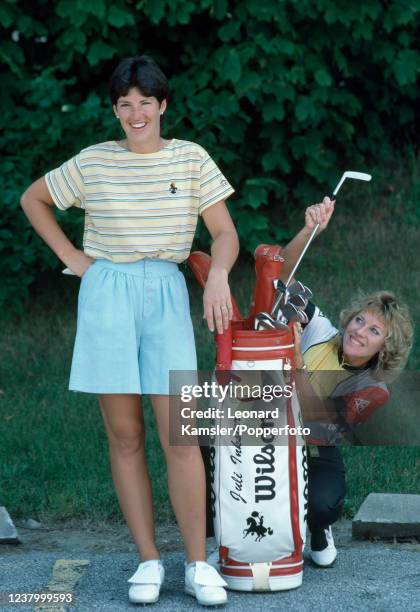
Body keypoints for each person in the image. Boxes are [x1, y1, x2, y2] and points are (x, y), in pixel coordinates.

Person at [20, 55, 239, 606]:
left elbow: (224, 232)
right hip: (106, 296)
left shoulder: (191, 159)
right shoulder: (94, 163)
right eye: (125, 105)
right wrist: (73, 254)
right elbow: (33, 198)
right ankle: (148, 560)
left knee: (181, 436)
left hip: (165, 291)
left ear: (163, 105)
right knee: (125, 436)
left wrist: (217, 276)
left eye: (145, 103)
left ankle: (196, 563)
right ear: (116, 110)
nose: (136, 113)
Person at [280, 198, 413, 567]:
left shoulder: (374, 389)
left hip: (315, 444)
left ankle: (318, 528)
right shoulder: (322, 330)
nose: (359, 332)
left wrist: (294, 358)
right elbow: (280, 280)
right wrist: (310, 231)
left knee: (323, 503)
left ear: (386, 346)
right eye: (359, 321)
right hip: (272, 430)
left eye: (374, 331)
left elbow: (316, 422)